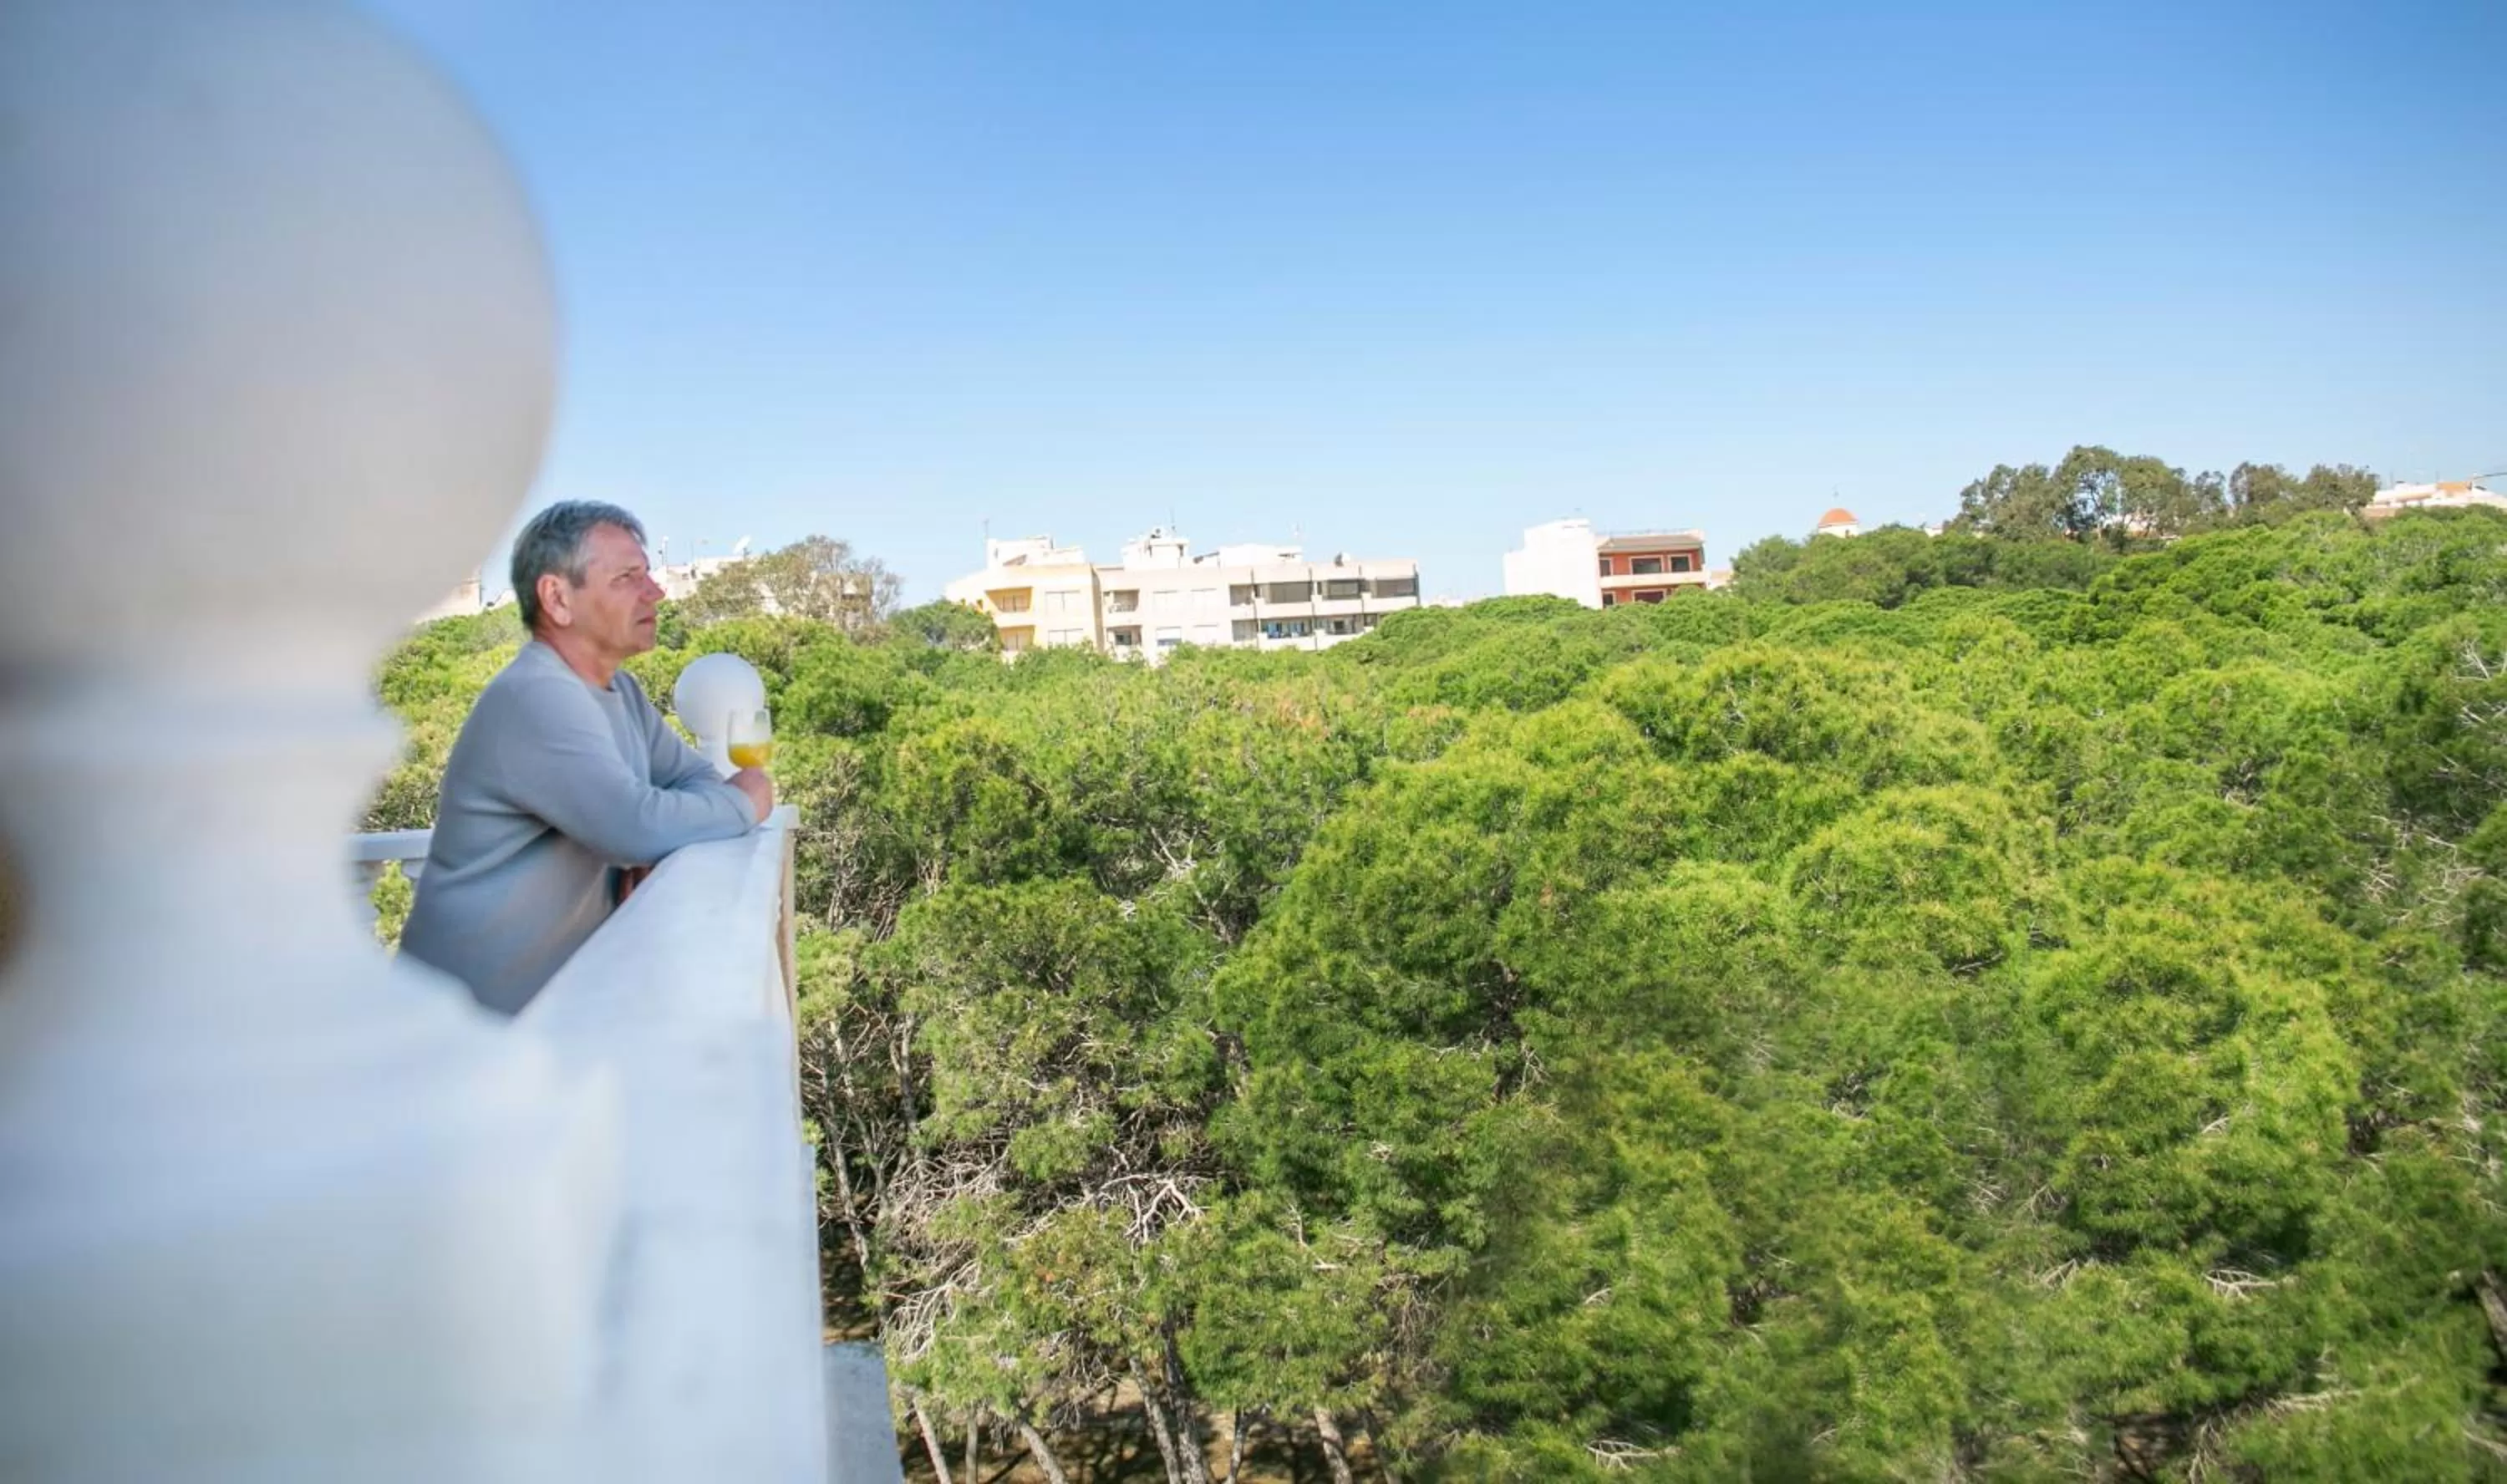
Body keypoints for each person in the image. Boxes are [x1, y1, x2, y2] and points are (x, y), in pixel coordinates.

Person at [400, 501, 774, 1014]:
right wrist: (745, 802)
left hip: (533, 1019)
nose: (656, 591)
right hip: (456, 1031)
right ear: (557, 598)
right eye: (627, 577)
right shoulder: (536, 697)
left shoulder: (619, 690)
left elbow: (691, 778)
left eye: (649, 574)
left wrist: (660, 843)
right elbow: (635, 824)